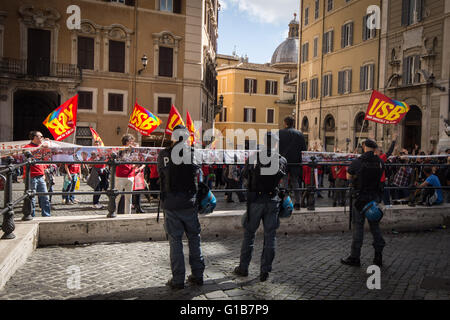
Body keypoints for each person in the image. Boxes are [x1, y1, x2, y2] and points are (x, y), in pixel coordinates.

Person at [233, 132, 287, 282]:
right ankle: (265, 271)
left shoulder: (253, 158)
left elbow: (244, 176)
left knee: (249, 234)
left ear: (264, 142)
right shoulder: (281, 160)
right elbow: (282, 180)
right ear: (276, 144)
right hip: (272, 200)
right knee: (270, 236)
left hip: (255, 200)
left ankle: (243, 268)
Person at [157, 125, 204, 290]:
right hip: (189, 202)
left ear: (173, 138)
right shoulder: (193, 154)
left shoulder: (164, 154)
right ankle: (198, 275)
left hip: (170, 202)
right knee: (194, 238)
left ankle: (178, 279)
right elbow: (199, 175)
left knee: (175, 241)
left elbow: (160, 174)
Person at [341, 139, 385, 267]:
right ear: (374, 148)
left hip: (360, 200)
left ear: (364, 147)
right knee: (375, 227)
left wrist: (356, 178)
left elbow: (348, 176)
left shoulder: (358, 162)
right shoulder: (380, 163)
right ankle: (378, 256)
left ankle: (355, 257)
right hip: (374, 198)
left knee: (358, 227)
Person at [279, 116, 307, 210]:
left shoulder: (280, 133)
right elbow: (304, 149)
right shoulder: (300, 134)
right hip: (296, 162)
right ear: (293, 124)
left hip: (284, 161)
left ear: (285, 123)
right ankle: (297, 202)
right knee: (295, 183)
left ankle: (285, 202)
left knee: (284, 183)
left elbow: (276, 148)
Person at [23, 131, 51, 217]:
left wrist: (47, 147)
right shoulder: (27, 147)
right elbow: (29, 155)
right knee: (32, 198)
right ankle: (31, 216)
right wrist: (41, 147)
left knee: (45, 197)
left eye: (42, 137)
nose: (42, 138)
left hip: (40, 175)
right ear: (34, 137)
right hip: (30, 176)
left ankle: (46, 215)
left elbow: (45, 158)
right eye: (40, 136)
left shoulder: (41, 148)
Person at [114, 134, 138, 215]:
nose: (133, 143)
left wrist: (135, 165)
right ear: (127, 141)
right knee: (117, 196)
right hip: (121, 175)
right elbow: (121, 158)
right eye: (131, 141)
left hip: (130, 175)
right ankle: (113, 212)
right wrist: (129, 150)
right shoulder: (120, 150)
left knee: (129, 197)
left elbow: (135, 160)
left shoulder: (133, 151)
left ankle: (128, 214)